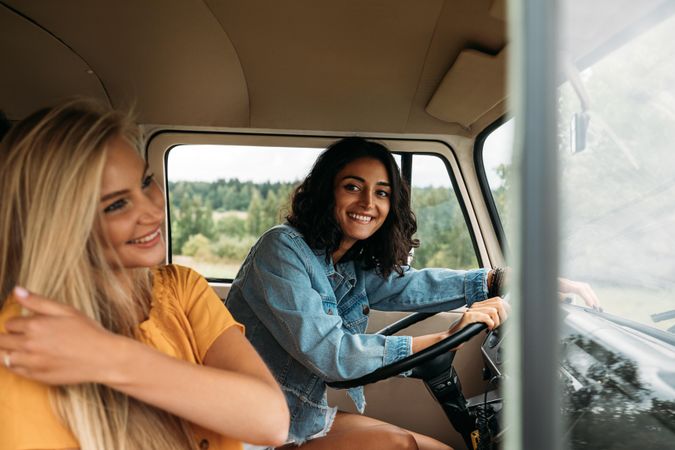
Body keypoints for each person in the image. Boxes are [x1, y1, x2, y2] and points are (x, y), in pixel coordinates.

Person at [0, 100, 290, 450]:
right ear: (61, 227)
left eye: (146, 182)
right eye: (117, 204)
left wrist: (106, 356)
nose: (152, 211)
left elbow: (271, 421)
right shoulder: (25, 338)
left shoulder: (181, 287)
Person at [225, 137, 510, 450]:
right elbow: (330, 353)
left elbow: (409, 286)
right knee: (399, 445)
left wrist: (495, 281)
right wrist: (442, 339)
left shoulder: (348, 261)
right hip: (248, 430)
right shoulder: (281, 249)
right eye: (352, 187)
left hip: (299, 415)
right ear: (326, 190)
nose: (368, 203)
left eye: (382, 192)